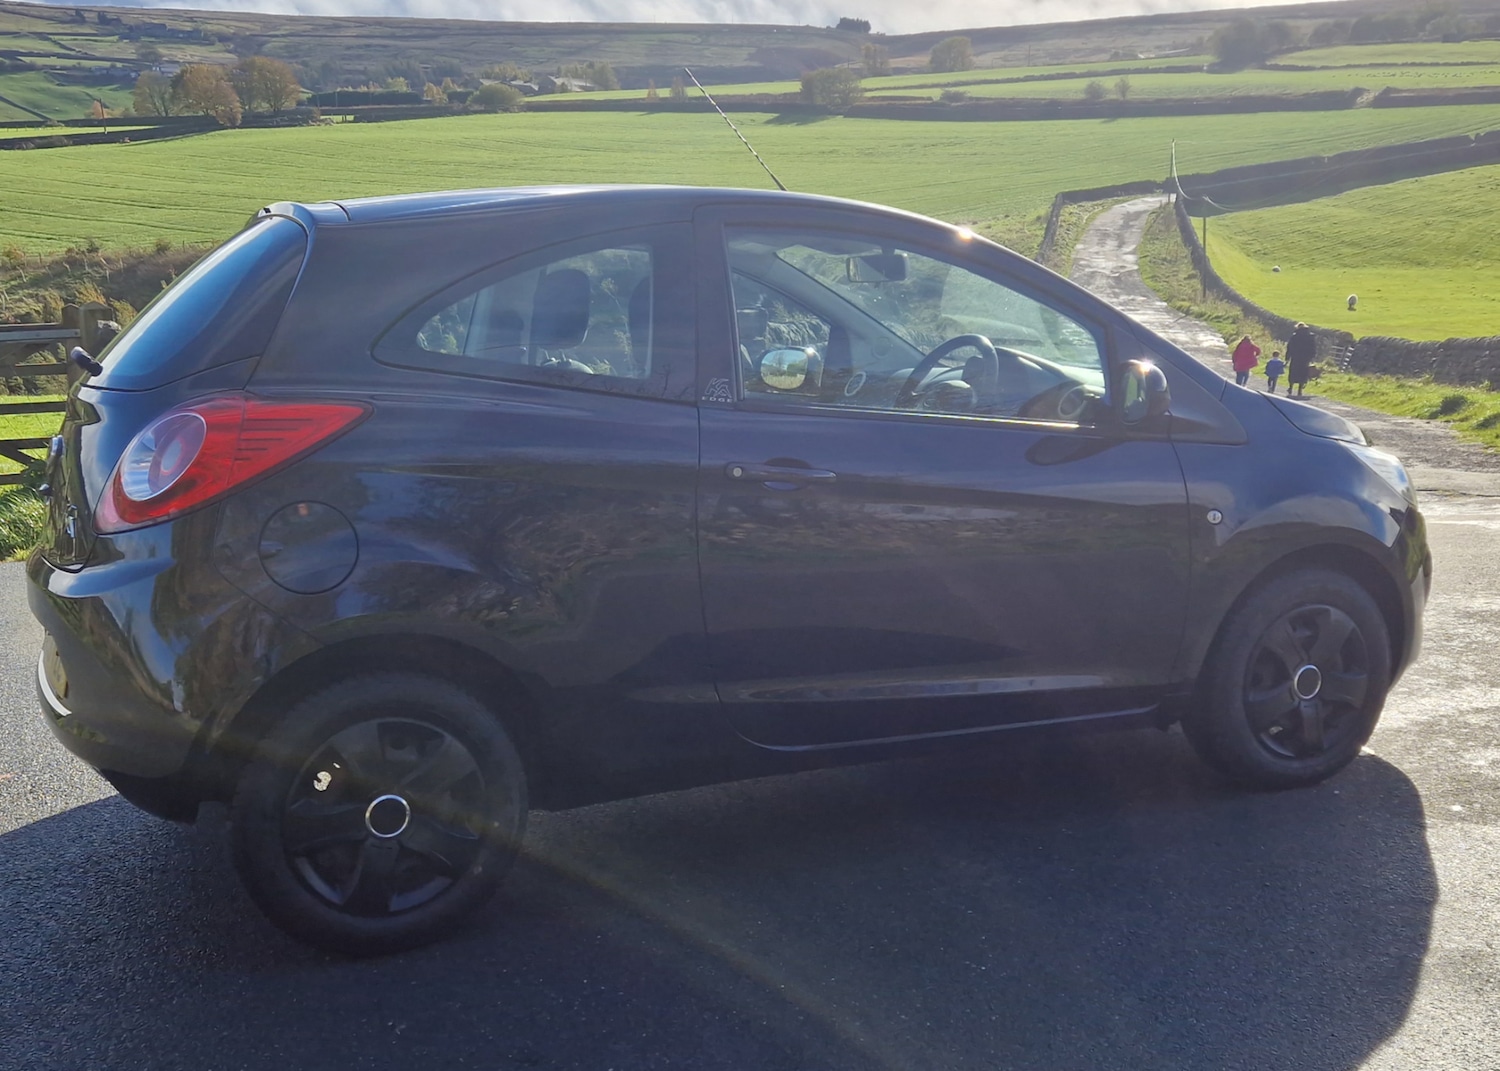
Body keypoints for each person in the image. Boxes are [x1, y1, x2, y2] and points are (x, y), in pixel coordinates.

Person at [1286, 322, 1315, 396]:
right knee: (1303, 372)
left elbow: (1290, 347)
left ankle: (1291, 387)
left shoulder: (1295, 336)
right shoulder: (1310, 336)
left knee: (1293, 372)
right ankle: (1300, 390)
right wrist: (1312, 356)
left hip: (1295, 357)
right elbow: (1313, 347)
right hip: (1305, 358)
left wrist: (1287, 357)